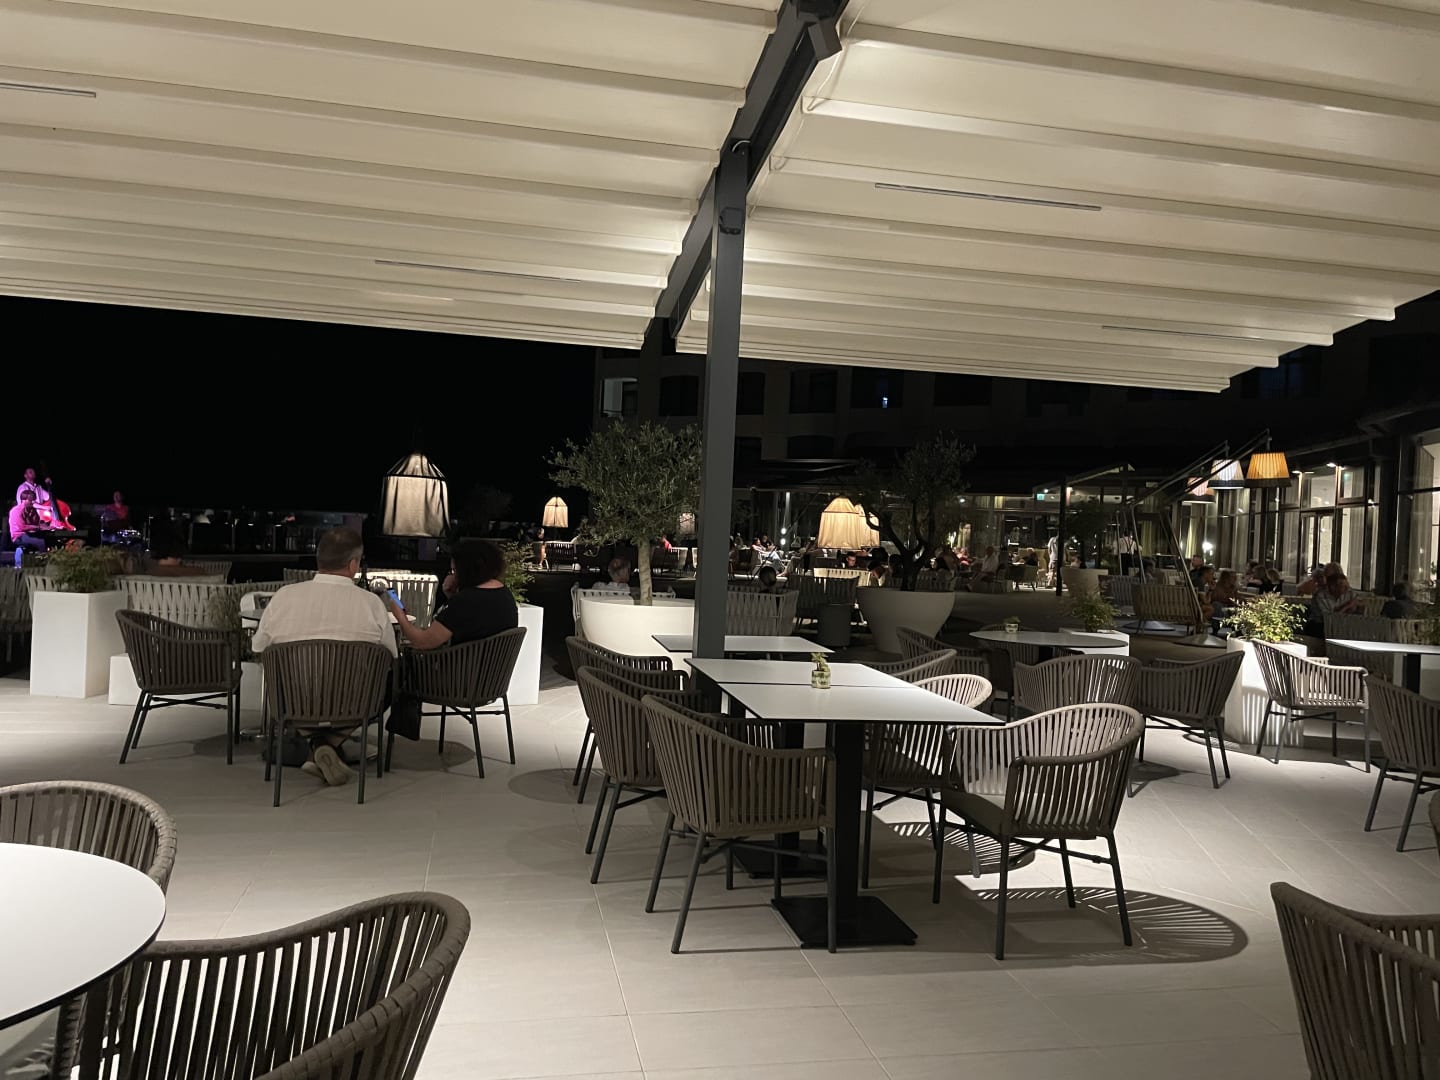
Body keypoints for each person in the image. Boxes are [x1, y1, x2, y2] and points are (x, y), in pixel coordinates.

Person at [251, 527, 398, 786]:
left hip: (294, 701)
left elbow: (259, 647)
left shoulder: (284, 597)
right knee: (388, 678)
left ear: (318, 560)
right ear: (353, 564)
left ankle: (317, 745)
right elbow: (390, 655)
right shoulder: (371, 604)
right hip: (353, 704)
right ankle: (329, 744)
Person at [389, 538, 518, 650]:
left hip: (459, 669)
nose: (453, 576)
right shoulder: (504, 594)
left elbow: (424, 641)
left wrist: (401, 617)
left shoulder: (465, 601)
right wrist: (451, 596)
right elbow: (468, 622)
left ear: (466, 570)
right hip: (492, 669)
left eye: (454, 571)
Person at [8, 489, 52, 558]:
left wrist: (46, 525)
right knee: (40, 542)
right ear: (24, 500)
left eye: (34, 500)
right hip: (19, 536)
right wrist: (39, 527)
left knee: (49, 539)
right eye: (31, 500)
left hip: (29, 533)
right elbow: (22, 527)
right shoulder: (16, 510)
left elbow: (36, 524)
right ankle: (43, 562)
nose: (33, 502)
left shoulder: (31, 510)